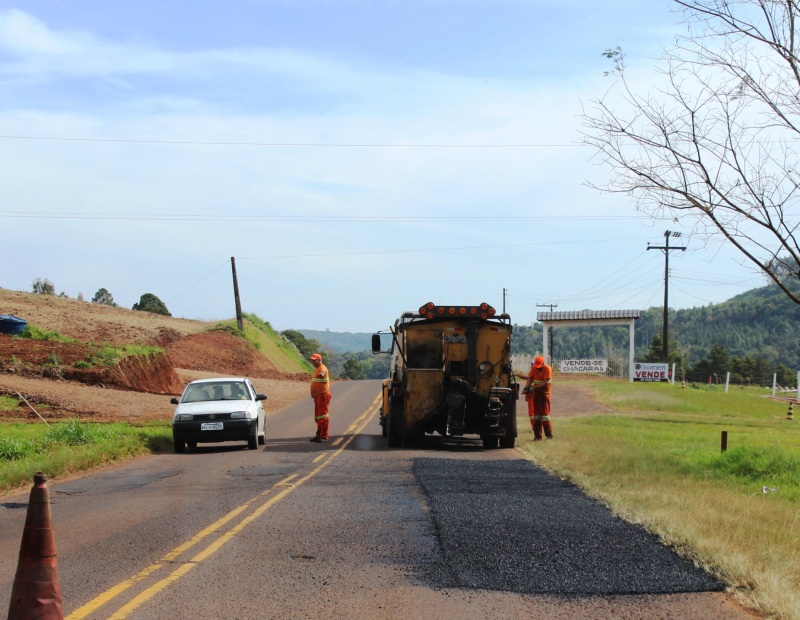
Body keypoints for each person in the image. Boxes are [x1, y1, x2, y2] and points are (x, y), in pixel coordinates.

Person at [516, 355, 553, 440]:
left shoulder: (547, 369)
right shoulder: (534, 368)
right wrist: (527, 387)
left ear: (543, 363)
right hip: (536, 394)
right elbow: (530, 378)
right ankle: (537, 437)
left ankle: (549, 436)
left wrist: (533, 388)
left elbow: (545, 383)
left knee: (545, 416)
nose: (537, 368)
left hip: (544, 395)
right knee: (536, 416)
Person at [308, 353, 331, 443]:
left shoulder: (322, 368)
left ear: (319, 360)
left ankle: (324, 436)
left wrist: (321, 374)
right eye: (312, 360)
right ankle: (318, 435)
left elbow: (323, 372)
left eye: (314, 360)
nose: (312, 362)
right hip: (318, 395)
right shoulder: (317, 368)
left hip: (322, 395)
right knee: (318, 416)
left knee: (323, 416)